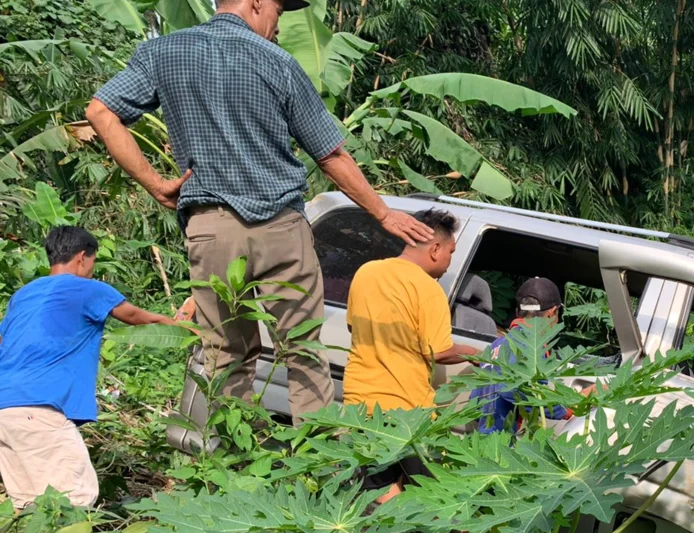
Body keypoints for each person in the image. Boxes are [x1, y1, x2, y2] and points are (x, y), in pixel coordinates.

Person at [85, 0, 435, 422]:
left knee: (225, 353)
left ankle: (230, 464)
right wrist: (382, 213)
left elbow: (100, 112)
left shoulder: (163, 52)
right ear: (255, 3)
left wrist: (156, 184)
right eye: (278, 12)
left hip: (211, 229)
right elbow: (331, 155)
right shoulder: (279, 63)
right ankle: (318, 463)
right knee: (303, 350)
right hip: (280, 230)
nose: (279, 25)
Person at [0, 227, 174, 508]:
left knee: (30, 505)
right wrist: (180, 325)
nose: (92, 270)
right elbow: (137, 318)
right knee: (75, 497)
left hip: (4, 407)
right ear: (82, 257)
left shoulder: (24, 294)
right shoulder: (87, 288)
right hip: (38, 407)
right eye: (93, 263)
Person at [343, 208, 477, 500]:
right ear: (435, 249)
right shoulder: (428, 289)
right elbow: (440, 352)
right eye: (451, 253)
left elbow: (355, 327)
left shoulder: (366, 272)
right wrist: (475, 353)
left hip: (361, 407)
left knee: (378, 488)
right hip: (407, 413)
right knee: (433, 499)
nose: (448, 262)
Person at [471, 277, 594, 435]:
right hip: (503, 443)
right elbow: (513, 389)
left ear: (517, 312)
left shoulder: (498, 344)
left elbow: (476, 398)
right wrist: (569, 406)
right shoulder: (532, 346)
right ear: (552, 313)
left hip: (485, 437)